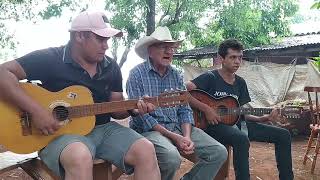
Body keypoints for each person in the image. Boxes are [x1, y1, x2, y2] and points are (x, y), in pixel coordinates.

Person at [0, 11, 161, 180]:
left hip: (104, 130)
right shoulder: (50, 58)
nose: (106, 46)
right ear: (79, 36)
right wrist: (36, 111)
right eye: (100, 39)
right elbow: (3, 72)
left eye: (107, 40)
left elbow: (116, 109)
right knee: (79, 156)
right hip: (61, 134)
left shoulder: (111, 66)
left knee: (146, 149)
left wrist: (134, 109)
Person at [126, 26, 228, 180]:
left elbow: (184, 108)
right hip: (150, 131)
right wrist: (174, 137)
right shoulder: (136, 74)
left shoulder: (176, 75)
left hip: (178, 128)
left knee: (219, 152)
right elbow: (141, 118)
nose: (169, 51)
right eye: (163, 47)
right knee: (171, 158)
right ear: (150, 51)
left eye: (172, 48)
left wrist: (186, 136)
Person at [186, 38, 294, 180]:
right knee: (241, 139)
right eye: (233, 57)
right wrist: (206, 109)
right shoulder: (210, 77)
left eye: (240, 57)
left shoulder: (240, 83)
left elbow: (240, 112)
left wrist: (264, 118)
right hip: (211, 125)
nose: (237, 61)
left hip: (236, 125)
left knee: (283, 135)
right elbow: (184, 93)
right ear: (221, 59)